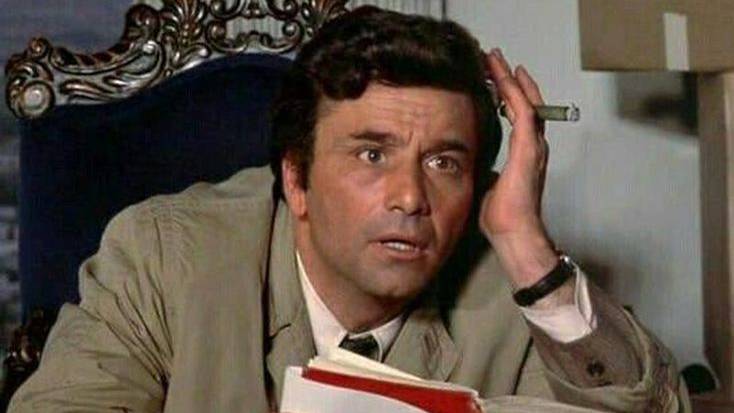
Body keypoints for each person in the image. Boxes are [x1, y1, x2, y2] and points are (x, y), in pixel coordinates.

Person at [9, 6, 689, 413]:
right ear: (296, 179)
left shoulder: (513, 289)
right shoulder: (164, 259)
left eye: (444, 163)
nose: (410, 197)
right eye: (371, 154)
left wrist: (527, 249)